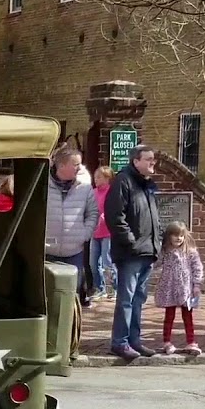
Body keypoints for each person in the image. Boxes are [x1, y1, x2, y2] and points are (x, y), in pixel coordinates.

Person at [104, 145, 163, 361]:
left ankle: (134, 340)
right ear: (135, 161)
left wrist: (157, 241)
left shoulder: (146, 185)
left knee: (138, 298)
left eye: (153, 160)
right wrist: (130, 242)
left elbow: (152, 217)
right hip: (131, 253)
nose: (152, 163)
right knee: (126, 299)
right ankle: (120, 342)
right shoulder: (123, 181)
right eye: (148, 159)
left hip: (147, 251)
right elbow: (115, 216)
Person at [44, 145, 99, 307]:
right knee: (47, 297)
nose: (80, 168)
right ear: (61, 165)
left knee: (70, 298)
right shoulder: (42, 185)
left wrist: (85, 233)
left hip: (74, 252)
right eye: (76, 164)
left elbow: (93, 213)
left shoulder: (85, 188)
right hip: (46, 252)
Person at [153, 221, 203, 355]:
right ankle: (167, 342)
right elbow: (155, 263)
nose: (178, 238)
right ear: (169, 236)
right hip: (169, 287)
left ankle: (191, 342)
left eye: (181, 235)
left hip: (186, 289)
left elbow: (197, 268)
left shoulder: (190, 251)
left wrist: (196, 285)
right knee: (169, 316)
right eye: (175, 235)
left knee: (188, 316)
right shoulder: (165, 251)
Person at [89, 166, 115, 300]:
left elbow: (115, 209)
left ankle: (111, 290)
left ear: (107, 178)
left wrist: (105, 216)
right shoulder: (93, 192)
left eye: (99, 177)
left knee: (107, 262)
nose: (96, 179)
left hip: (108, 233)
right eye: (95, 177)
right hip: (95, 232)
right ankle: (98, 288)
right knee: (93, 263)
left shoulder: (112, 192)